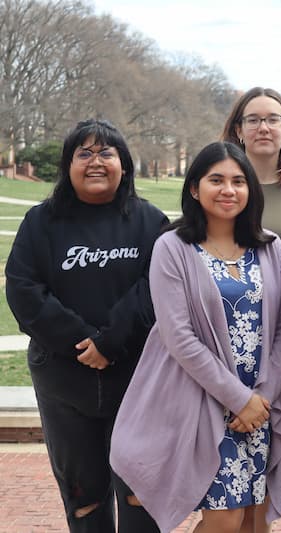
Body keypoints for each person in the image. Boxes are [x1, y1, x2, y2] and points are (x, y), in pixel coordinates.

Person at [110, 141, 281, 533]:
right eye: (216, 180)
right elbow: (179, 336)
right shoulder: (173, 248)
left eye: (238, 181)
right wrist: (237, 398)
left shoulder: (270, 246)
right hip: (206, 400)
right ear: (195, 188)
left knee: (254, 520)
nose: (228, 190)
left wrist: (262, 396)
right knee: (224, 519)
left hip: (260, 401)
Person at [4, 119, 167, 532]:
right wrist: (81, 340)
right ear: (68, 165)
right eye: (85, 153)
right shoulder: (41, 222)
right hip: (64, 382)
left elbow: (158, 288)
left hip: (136, 382)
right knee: (84, 499)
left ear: (124, 165)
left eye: (106, 153)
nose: (96, 161)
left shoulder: (150, 223)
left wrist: (111, 341)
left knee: (138, 493)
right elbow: (24, 290)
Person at [222, 86, 281, 449]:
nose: (264, 127)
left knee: (273, 445)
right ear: (239, 130)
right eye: (254, 120)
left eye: (273, 119)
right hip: (224, 334)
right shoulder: (220, 185)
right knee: (221, 444)